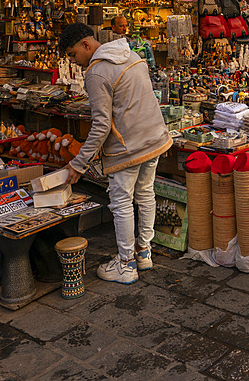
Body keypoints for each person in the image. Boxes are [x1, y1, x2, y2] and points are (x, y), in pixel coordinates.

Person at [59, 23, 172, 284]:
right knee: (145, 194)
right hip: (154, 137)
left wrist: (78, 164)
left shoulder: (97, 72)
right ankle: (144, 253)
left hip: (128, 146)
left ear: (86, 45)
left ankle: (125, 263)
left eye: (73, 54)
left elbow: (100, 125)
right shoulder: (131, 54)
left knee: (121, 202)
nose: (74, 62)